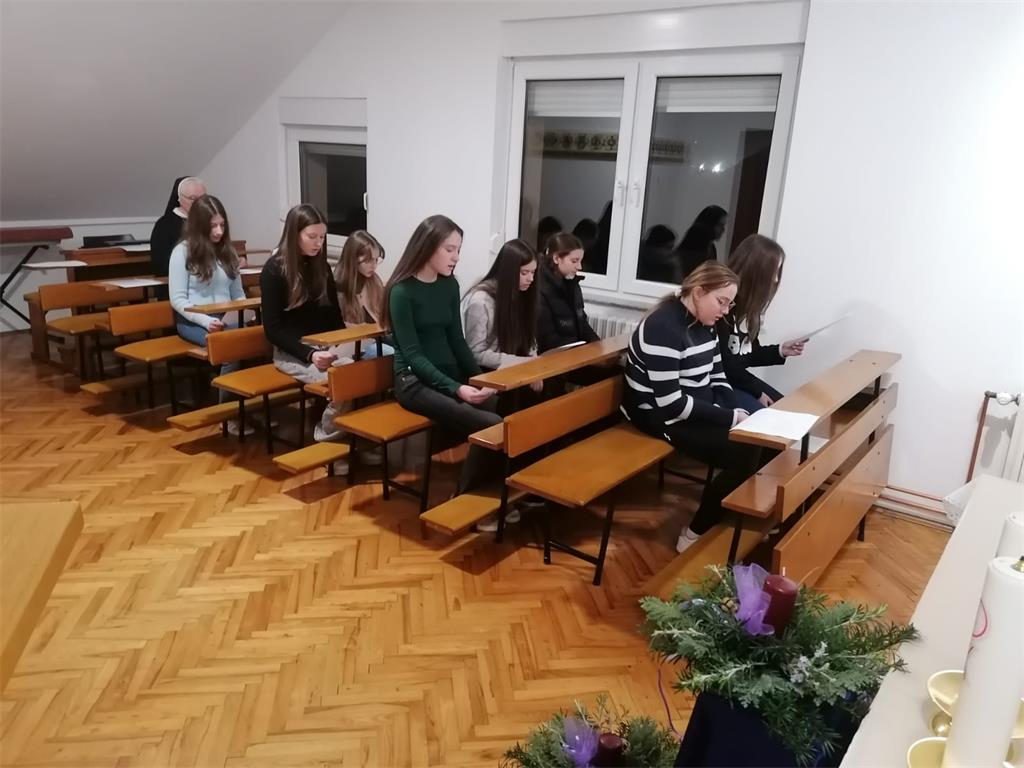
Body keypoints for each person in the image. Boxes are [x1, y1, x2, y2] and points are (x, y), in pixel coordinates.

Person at [621, 261, 763, 554]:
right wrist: (729, 417)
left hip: (693, 407)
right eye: (721, 302)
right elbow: (671, 405)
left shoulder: (705, 323)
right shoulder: (663, 327)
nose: (726, 311)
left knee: (762, 443)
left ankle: (737, 518)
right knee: (744, 453)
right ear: (698, 292)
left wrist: (734, 412)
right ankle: (695, 532)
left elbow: (718, 375)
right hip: (660, 416)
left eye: (730, 303)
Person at [383, 214, 506, 507]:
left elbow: (457, 341)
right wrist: (457, 389)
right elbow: (413, 356)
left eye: (458, 250)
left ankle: (496, 490)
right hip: (413, 382)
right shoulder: (401, 292)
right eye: (449, 249)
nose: (456, 257)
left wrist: (479, 379)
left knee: (504, 408)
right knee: (491, 424)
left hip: (446, 375)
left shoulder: (449, 285)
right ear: (427, 247)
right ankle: (469, 498)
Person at [261, 204, 373, 461]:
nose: (318, 243)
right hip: (293, 352)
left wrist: (344, 344)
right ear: (294, 234)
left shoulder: (321, 266)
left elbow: (333, 316)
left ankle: (355, 439)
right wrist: (310, 354)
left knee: (365, 373)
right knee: (344, 380)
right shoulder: (274, 270)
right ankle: (328, 440)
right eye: (312, 236)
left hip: (325, 347)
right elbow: (273, 330)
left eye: (322, 237)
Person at [168, 194, 246, 423]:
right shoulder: (182, 252)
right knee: (230, 348)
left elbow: (238, 294)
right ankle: (229, 416)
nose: (219, 231)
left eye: (222, 225)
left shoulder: (227, 252)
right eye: (213, 226)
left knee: (254, 340)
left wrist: (244, 313)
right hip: (193, 320)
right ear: (199, 226)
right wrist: (206, 321)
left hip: (225, 317)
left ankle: (250, 407)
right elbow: (178, 300)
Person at [720, 234, 805, 413]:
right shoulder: (722, 306)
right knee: (767, 416)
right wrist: (757, 392)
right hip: (719, 383)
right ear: (757, 270)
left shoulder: (748, 308)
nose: (775, 279)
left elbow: (747, 355)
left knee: (786, 408)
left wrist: (780, 350)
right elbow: (726, 364)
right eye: (774, 271)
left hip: (737, 379)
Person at [462, 238, 540, 375]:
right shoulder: (481, 300)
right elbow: (476, 353)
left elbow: (529, 339)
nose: (531, 279)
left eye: (533, 272)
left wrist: (533, 362)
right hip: (488, 373)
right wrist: (520, 362)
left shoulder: (522, 293)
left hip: (514, 367)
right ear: (508, 271)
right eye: (524, 273)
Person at [333, 229, 393, 358]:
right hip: (352, 346)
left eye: (376, 260)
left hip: (377, 339)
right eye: (368, 260)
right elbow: (336, 327)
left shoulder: (373, 281)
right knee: (390, 353)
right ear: (353, 259)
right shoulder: (337, 287)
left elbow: (384, 317)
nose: (374, 266)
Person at [535, 232, 600, 353]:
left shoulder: (573, 284)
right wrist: (582, 352)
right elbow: (547, 338)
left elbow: (582, 323)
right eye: (574, 261)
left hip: (574, 352)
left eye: (580, 261)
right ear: (556, 258)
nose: (579, 267)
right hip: (555, 356)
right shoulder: (540, 288)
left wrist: (598, 346)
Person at [150, 177, 206, 282]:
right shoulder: (164, 225)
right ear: (180, 199)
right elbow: (161, 265)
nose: (199, 203)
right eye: (193, 198)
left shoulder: (209, 221)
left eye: (203, 198)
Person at [676, 205, 727, 278]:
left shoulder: (711, 246)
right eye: (720, 225)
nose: (723, 229)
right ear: (710, 224)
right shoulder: (694, 246)